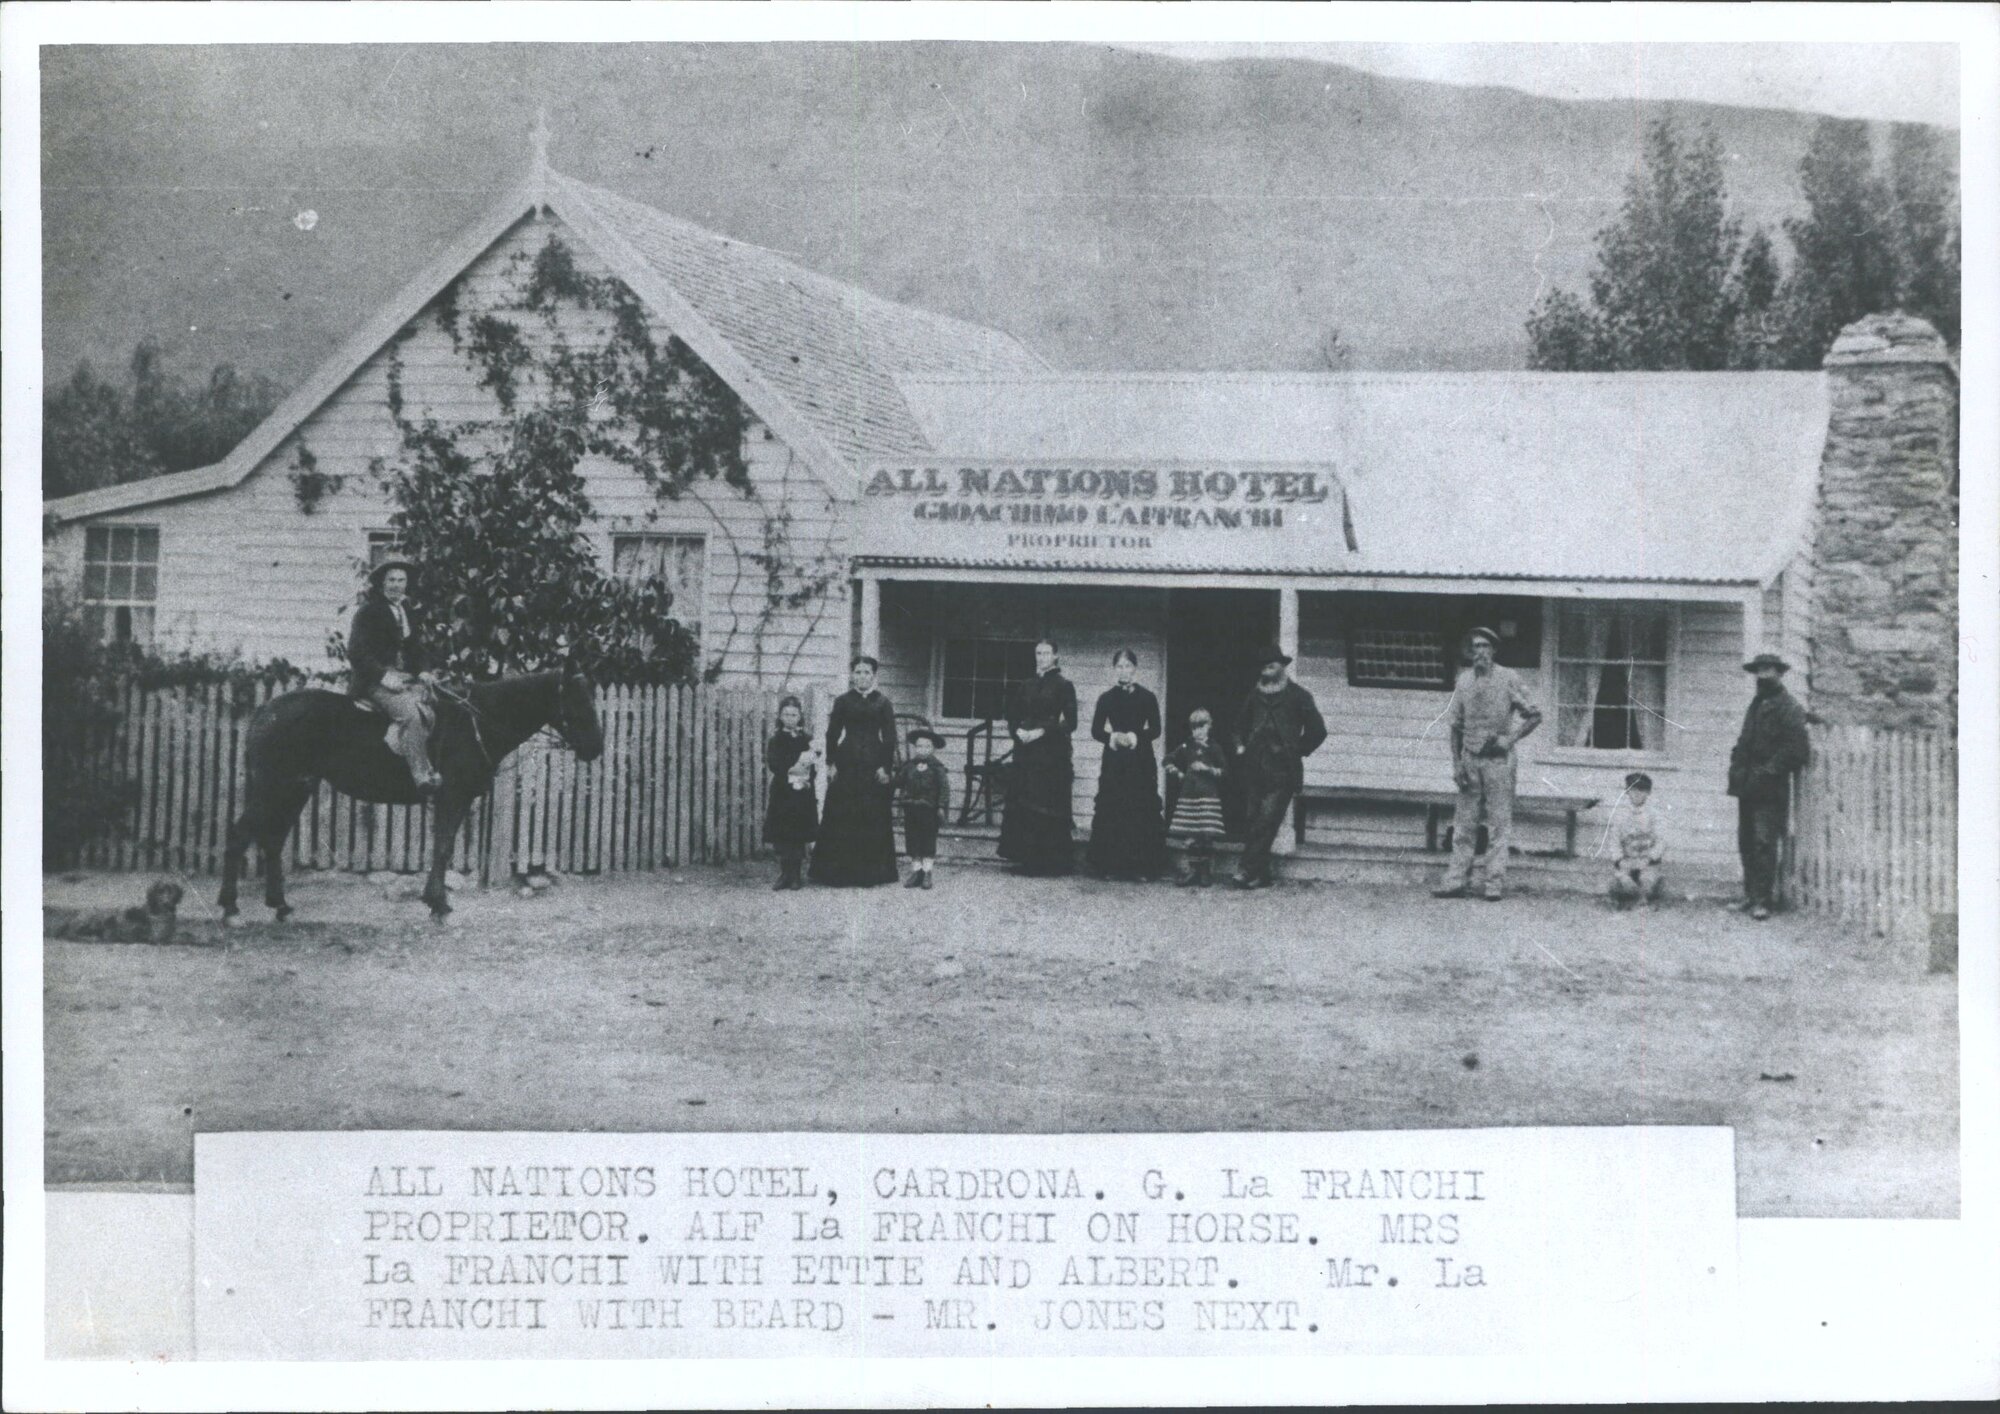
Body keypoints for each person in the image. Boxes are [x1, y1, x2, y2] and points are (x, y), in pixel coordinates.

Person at [1433, 626, 1543, 902]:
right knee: (1464, 824)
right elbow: (1455, 727)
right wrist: (1456, 764)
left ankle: (1493, 882)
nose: (1479, 652)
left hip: (1498, 762)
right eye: (1475, 647)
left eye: (1485, 646)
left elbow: (1534, 715)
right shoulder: (1464, 680)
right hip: (1470, 760)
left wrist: (1510, 739)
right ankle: (1457, 880)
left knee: (1498, 824)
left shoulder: (1508, 679)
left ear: (1494, 650)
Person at [1230, 645, 1328, 889]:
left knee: (1266, 820)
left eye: (1272, 665)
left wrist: (1299, 750)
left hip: (1282, 771)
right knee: (1254, 819)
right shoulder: (1254, 695)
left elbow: (1318, 731)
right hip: (1254, 769)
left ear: (1282, 667)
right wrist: (1240, 746)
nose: (1267, 670)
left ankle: (1245, 869)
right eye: (1263, 667)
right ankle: (1261, 875)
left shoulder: (1299, 696)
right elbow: (1237, 727)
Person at [1728, 652, 1810, 921]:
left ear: (1779, 673)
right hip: (1748, 784)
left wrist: (1768, 771)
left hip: (1770, 787)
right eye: (1759, 670)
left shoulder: (1789, 707)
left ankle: (1764, 900)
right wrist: (1738, 765)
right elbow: (1745, 740)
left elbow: (1796, 750)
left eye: (1768, 670)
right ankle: (1750, 895)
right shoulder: (1756, 704)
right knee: (1747, 841)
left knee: (1764, 842)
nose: (1762, 675)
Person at [347, 557, 441, 795]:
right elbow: (356, 652)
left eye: (401, 580)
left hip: (405, 678)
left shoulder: (406, 610)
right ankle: (422, 775)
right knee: (410, 714)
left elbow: (416, 648)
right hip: (374, 682)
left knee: (436, 706)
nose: (396, 585)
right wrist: (382, 676)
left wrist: (424, 671)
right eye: (391, 580)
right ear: (382, 583)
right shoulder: (368, 612)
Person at [809, 656, 900, 887]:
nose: (862, 676)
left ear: (874, 676)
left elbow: (890, 738)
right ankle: (837, 873)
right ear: (852, 675)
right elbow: (832, 734)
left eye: (866, 672)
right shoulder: (842, 701)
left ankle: (870, 874)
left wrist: (885, 767)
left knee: (871, 815)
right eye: (858, 672)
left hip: (873, 763)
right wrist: (831, 763)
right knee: (842, 814)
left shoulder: (883, 703)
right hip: (847, 762)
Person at [1085, 649, 1168, 881]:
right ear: (1115, 670)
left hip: (1140, 760)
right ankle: (1111, 866)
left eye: (1128, 666)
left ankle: (1141, 868)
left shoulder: (1147, 697)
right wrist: (1112, 737)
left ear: (1135, 669)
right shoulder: (1106, 698)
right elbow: (1095, 730)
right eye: (1120, 667)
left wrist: (1134, 736)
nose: (1124, 671)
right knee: (1114, 809)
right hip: (1115, 761)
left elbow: (1156, 729)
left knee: (1139, 809)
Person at [997, 639, 1078, 876]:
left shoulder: (1064, 685)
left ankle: (1049, 863)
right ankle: (1027, 860)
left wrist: (1042, 731)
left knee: (1046, 804)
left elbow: (1071, 722)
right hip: (1026, 752)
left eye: (1046, 653)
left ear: (1056, 657)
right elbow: (1012, 715)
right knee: (1025, 803)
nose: (1042, 657)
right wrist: (1018, 732)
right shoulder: (1026, 685)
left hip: (1051, 755)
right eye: (1038, 653)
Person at [1164, 708, 1228, 888]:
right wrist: (1177, 772)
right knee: (1191, 834)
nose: (1197, 731)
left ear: (1209, 726)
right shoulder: (1186, 747)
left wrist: (1207, 769)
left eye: (1201, 726)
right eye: (1194, 728)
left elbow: (1225, 771)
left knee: (1206, 835)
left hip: (1208, 797)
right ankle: (1193, 871)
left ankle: (1205, 871)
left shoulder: (1215, 748)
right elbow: (1167, 760)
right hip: (1189, 797)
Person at [763, 695, 818, 891]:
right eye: (786, 714)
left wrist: (806, 774)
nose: (790, 718)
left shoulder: (807, 739)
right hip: (783, 791)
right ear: (780, 716)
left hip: (801, 792)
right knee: (782, 832)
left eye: (794, 714)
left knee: (797, 832)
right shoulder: (776, 739)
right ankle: (784, 873)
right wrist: (792, 769)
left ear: (800, 716)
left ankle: (796, 874)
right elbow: (774, 763)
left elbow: (813, 765)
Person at [895, 727, 951, 889]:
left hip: (929, 810)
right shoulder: (909, 766)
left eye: (927, 746)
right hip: (911, 808)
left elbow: (944, 789)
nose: (922, 750)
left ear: (933, 749)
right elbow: (899, 781)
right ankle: (916, 872)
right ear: (915, 748)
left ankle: (927, 873)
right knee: (913, 840)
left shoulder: (937, 768)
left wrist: (941, 806)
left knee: (927, 840)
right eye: (919, 746)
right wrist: (890, 778)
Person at [1608, 771, 1667, 909]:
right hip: (1628, 860)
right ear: (1627, 792)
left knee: (1647, 881)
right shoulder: (1620, 815)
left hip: (1647, 861)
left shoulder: (1655, 815)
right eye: (1633, 790)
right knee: (1617, 884)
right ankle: (1628, 898)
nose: (1637, 794)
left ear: (1648, 793)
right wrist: (1620, 859)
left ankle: (1643, 899)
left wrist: (1650, 858)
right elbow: (1614, 841)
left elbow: (1662, 840)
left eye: (1641, 791)